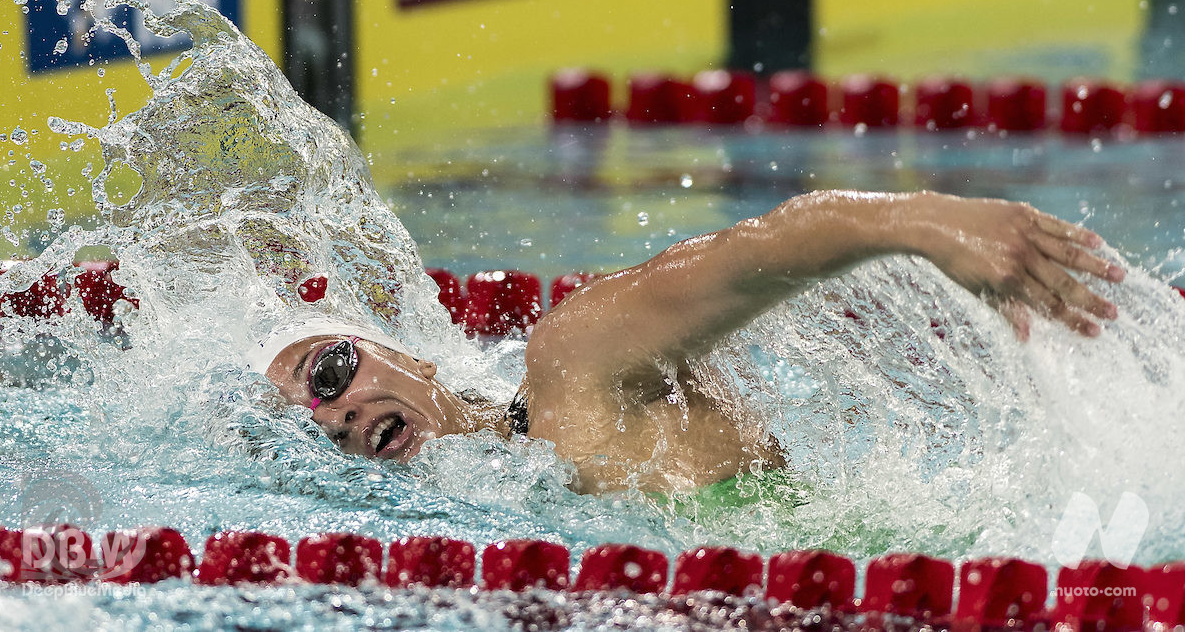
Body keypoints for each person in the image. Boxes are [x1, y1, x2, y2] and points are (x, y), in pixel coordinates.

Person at [251, 190, 1124, 496]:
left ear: (415, 354)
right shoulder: (494, 494)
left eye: (329, 370)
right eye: (310, 427)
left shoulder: (572, 368)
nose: (336, 413)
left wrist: (927, 225)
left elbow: (759, 250)